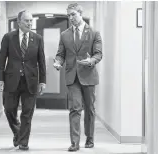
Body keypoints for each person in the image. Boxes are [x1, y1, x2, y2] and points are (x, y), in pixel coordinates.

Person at [53, 3, 102, 152]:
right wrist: (58, 62)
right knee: (74, 109)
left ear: (80, 13)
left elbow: (98, 53)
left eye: (73, 14)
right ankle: (74, 142)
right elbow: (60, 54)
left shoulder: (94, 33)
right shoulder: (64, 35)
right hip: (71, 77)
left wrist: (91, 60)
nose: (71, 17)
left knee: (89, 108)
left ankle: (90, 137)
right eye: (68, 15)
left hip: (88, 75)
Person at [0, 10, 46, 150]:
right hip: (11, 80)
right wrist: (0, 79)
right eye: (26, 21)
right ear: (19, 22)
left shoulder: (37, 38)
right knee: (9, 108)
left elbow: (41, 61)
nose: (29, 23)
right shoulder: (8, 37)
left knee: (27, 112)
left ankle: (23, 142)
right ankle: (18, 132)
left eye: (31, 20)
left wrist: (42, 81)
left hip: (30, 81)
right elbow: (1, 60)